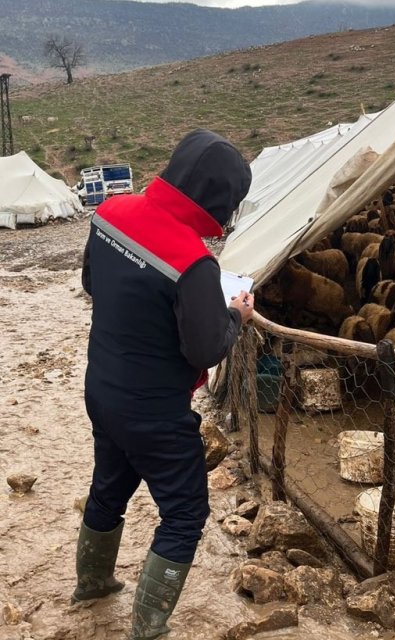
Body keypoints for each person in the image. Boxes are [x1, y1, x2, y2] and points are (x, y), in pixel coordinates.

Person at [75, 129, 254, 639]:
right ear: (221, 200)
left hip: (103, 386)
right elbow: (205, 349)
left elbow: (92, 283)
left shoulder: (110, 212)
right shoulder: (193, 260)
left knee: (110, 485)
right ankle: (147, 630)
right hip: (154, 407)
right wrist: (235, 315)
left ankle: (91, 585)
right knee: (184, 511)